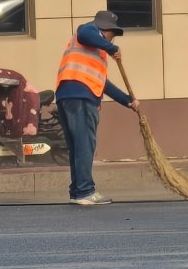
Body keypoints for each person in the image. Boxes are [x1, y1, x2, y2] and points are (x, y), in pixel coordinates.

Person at [55, 10, 141, 206]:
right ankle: (85, 191)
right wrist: (111, 47)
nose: (113, 38)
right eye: (112, 33)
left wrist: (127, 101)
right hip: (81, 97)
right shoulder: (87, 32)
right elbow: (85, 32)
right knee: (85, 145)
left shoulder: (94, 52)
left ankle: (78, 191)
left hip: (67, 96)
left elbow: (104, 84)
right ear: (105, 29)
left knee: (77, 147)